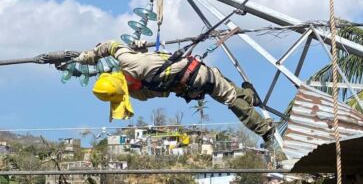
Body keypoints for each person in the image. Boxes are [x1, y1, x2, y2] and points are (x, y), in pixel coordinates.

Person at [74, 40, 275, 143]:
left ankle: (260, 120)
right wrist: (142, 52)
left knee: (230, 96)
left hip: (199, 75)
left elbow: (111, 45)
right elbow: (164, 91)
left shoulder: (131, 62)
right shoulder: (139, 92)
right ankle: (256, 109)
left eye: (130, 88)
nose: (133, 91)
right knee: (230, 94)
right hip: (192, 85)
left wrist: (90, 56)